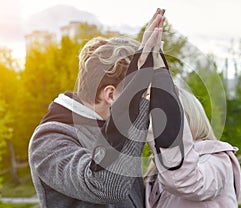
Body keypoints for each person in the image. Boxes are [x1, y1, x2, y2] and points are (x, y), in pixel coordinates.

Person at [28, 8, 166, 208]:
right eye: (140, 95)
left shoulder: (116, 128)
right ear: (110, 95)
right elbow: (106, 186)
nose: (146, 104)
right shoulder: (49, 140)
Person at [142, 25, 241, 208]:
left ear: (186, 119)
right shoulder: (157, 170)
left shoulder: (215, 160)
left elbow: (185, 181)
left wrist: (159, 73)